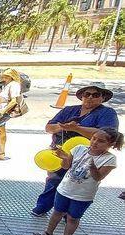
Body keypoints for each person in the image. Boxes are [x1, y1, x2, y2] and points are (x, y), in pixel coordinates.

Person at [31, 82, 119, 217]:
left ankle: (69, 214)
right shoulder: (69, 110)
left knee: (77, 183)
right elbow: (49, 127)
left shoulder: (107, 113)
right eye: (87, 94)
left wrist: (77, 128)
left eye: (95, 95)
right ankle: (43, 207)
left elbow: (107, 134)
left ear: (103, 97)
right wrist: (63, 127)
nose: (90, 97)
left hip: (85, 155)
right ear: (82, 96)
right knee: (53, 180)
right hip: (59, 151)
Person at [32, 128, 122, 235]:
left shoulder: (109, 159)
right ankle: (47, 232)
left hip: (83, 195)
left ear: (111, 144)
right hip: (64, 189)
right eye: (94, 138)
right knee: (57, 212)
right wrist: (63, 157)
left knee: (73, 218)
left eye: (101, 141)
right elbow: (66, 166)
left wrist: (92, 166)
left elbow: (98, 177)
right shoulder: (79, 148)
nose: (95, 142)